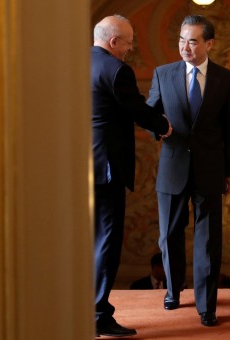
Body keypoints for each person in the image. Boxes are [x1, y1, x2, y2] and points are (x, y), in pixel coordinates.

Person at [147, 14, 230, 327]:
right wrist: (158, 131)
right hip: (172, 168)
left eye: (193, 40)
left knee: (208, 241)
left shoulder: (226, 79)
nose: (185, 47)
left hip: (211, 169)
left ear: (209, 43)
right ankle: (173, 292)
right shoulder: (163, 74)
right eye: (182, 40)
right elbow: (151, 114)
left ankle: (207, 305)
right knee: (169, 236)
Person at [91, 14, 172, 337]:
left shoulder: (75, 61)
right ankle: (97, 313)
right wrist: (164, 125)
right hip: (107, 167)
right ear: (113, 42)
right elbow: (136, 108)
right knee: (107, 242)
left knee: (88, 242)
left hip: (78, 167)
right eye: (128, 42)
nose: (131, 47)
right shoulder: (117, 70)